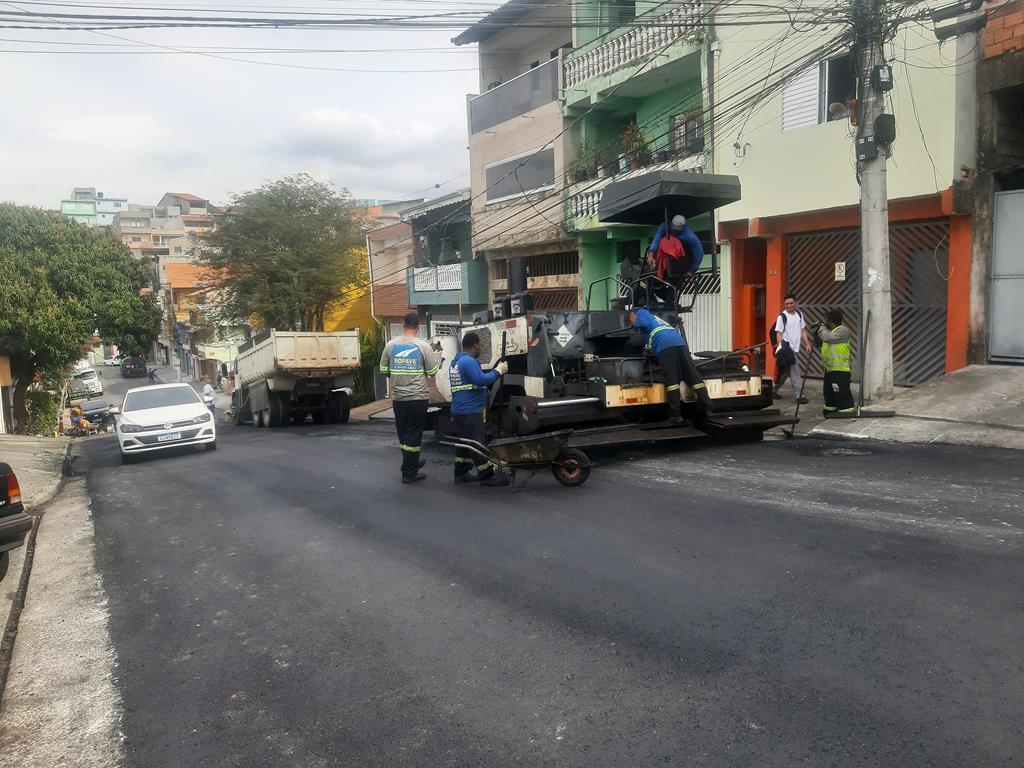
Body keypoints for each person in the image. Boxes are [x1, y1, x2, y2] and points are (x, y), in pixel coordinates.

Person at [379, 312, 440, 484]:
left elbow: (383, 370)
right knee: (414, 434)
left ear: (403, 323)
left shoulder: (390, 345)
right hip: (417, 398)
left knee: (404, 434)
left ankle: (411, 463)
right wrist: (438, 359)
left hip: (398, 398)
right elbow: (432, 372)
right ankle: (409, 472)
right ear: (418, 327)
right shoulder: (423, 346)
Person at [630, 308, 714, 423]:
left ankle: (675, 415)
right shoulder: (658, 320)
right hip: (679, 343)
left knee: (672, 381)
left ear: (634, 313)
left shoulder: (642, 313)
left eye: (630, 316)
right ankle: (708, 408)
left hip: (665, 346)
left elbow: (643, 323)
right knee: (693, 376)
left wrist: (634, 321)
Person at [449, 332, 509, 487]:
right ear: (475, 345)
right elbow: (480, 379)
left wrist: (483, 390)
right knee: (477, 444)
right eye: (480, 344)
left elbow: (470, 384)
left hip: (460, 410)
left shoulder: (456, 362)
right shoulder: (469, 361)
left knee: (465, 443)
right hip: (470, 411)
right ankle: (486, 476)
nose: (480, 347)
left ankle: (461, 473)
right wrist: (498, 371)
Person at [637, 214, 705, 307]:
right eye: (673, 229)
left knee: (668, 281)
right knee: (647, 279)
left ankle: (667, 303)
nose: (674, 231)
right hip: (665, 262)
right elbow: (657, 238)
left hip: (680, 264)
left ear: (682, 227)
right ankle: (652, 301)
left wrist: (692, 270)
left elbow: (699, 253)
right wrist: (651, 253)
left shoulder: (690, 237)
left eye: (677, 230)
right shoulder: (664, 226)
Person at [771, 293, 811, 404]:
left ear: (796, 303)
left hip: (795, 348)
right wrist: (781, 348)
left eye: (791, 303)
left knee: (784, 372)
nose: (789, 305)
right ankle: (799, 396)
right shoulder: (782, 317)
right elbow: (778, 333)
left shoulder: (799, 314)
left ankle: (773, 390)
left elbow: (803, 330)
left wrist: (807, 344)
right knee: (795, 372)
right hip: (787, 349)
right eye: (787, 304)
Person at [815, 309, 856, 417]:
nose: (825, 322)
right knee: (828, 394)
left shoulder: (842, 331)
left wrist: (821, 328)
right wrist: (816, 333)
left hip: (840, 371)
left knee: (842, 394)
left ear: (831, 321)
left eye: (826, 320)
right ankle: (830, 412)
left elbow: (827, 338)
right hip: (829, 370)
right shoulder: (829, 332)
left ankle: (846, 413)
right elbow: (821, 343)